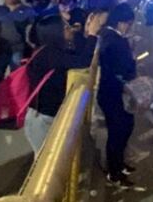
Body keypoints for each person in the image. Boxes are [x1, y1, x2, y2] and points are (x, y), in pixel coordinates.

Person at [23, 12, 103, 155]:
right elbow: (82, 61)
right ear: (55, 33)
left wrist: (86, 33)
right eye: (66, 28)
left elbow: (80, 55)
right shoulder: (48, 54)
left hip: (48, 115)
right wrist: (92, 34)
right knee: (45, 164)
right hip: (41, 119)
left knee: (52, 156)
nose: (70, 29)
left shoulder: (54, 51)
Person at [97, 4, 140, 189]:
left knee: (123, 127)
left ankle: (118, 165)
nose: (129, 27)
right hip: (114, 92)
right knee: (119, 131)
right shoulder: (116, 40)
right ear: (121, 22)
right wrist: (132, 57)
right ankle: (114, 173)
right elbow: (126, 68)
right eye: (128, 23)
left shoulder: (106, 35)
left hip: (109, 91)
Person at [0, 0, 35, 87]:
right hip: (0, 50)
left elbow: (33, 30)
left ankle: (13, 100)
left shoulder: (27, 10)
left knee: (16, 78)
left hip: (17, 49)